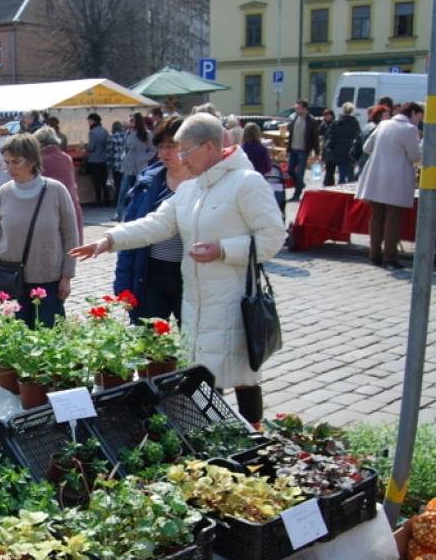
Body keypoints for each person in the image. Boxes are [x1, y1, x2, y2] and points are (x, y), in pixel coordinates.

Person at [70, 113, 286, 424]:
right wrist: (110, 239)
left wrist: (223, 249)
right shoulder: (191, 188)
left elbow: (272, 237)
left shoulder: (247, 183)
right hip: (195, 302)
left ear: (209, 147)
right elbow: (156, 225)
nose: (180, 158)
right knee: (202, 373)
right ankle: (212, 436)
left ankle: (255, 436)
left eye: (186, 150)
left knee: (242, 373)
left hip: (232, 299)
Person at [0, 133, 79, 328]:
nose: (10, 168)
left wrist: (67, 276)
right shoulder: (3, 194)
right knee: (16, 343)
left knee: (49, 342)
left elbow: (70, 236)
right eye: (7, 162)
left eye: (16, 162)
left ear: (32, 160)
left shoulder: (56, 191)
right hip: (10, 280)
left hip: (48, 281)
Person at [114, 117, 192, 325]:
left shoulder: (203, 183)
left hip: (192, 276)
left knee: (195, 342)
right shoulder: (148, 183)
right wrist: (123, 283)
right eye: (161, 146)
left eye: (171, 146)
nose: (164, 153)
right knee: (148, 345)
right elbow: (130, 233)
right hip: (151, 273)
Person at [356, 102, 423, 269]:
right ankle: (390, 257)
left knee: (377, 218)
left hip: (376, 175)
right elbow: (415, 156)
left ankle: (374, 255)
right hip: (396, 178)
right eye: (419, 117)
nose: (419, 121)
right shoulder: (409, 129)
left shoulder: (384, 124)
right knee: (393, 219)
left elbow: (366, 147)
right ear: (413, 113)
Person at [34, 126, 83, 239]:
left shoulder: (40, 160)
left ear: (39, 143)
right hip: (72, 205)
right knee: (72, 247)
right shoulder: (66, 157)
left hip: (51, 211)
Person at [116, 112, 156, 220]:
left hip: (141, 164)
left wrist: (144, 158)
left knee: (138, 190)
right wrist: (123, 157)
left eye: (132, 120)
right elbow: (125, 147)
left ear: (138, 121)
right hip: (129, 165)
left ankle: (138, 213)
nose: (130, 122)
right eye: (130, 120)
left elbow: (153, 149)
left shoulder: (146, 134)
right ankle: (118, 213)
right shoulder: (128, 133)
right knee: (123, 190)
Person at [286, 99, 320, 202]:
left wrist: (317, 152)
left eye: (298, 108)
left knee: (300, 173)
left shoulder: (312, 121)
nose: (296, 110)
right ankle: (300, 184)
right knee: (290, 170)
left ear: (304, 109)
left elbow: (315, 137)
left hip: (303, 151)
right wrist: (288, 149)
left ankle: (297, 195)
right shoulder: (296, 118)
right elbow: (291, 134)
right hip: (293, 149)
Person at [323, 102, 361, 186]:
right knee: (344, 176)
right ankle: (345, 193)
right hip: (348, 152)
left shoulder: (337, 122)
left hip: (335, 151)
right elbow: (358, 137)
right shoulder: (354, 123)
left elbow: (330, 136)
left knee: (332, 174)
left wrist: (328, 149)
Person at [352, 104, 390, 173]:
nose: (389, 117)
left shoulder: (367, 126)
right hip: (370, 162)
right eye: (386, 115)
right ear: (379, 116)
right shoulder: (377, 129)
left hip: (363, 160)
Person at [85, 113, 109, 206]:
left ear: (93, 121)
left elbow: (91, 147)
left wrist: (85, 146)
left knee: (96, 182)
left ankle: (98, 201)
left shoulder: (92, 132)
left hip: (94, 160)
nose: (89, 123)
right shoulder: (105, 131)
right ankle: (107, 199)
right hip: (104, 159)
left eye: (89, 121)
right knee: (104, 181)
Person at [106, 121, 126, 204]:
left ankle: (117, 201)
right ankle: (125, 201)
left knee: (118, 184)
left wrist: (108, 167)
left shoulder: (111, 137)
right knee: (125, 184)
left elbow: (109, 153)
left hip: (116, 164)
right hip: (126, 164)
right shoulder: (126, 136)